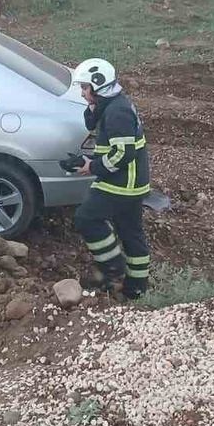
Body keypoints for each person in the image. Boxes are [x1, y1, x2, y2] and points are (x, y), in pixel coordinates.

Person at [72, 58, 152, 299]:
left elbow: (123, 153)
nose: (82, 92)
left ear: (98, 86)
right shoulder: (113, 105)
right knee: (131, 233)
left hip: (122, 183)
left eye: (85, 87)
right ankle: (136, 289)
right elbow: (93, 123)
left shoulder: (117, 111)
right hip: (129, 181)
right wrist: (93, 106)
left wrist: (92, 167)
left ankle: (113, 268)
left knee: (86, 218)